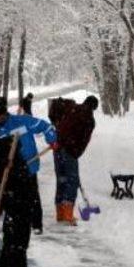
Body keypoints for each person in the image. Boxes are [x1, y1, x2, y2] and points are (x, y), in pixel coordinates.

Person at [0, 96, 57, 234]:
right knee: (10, 198)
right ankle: (13, 225)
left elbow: (46, 126)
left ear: (3, 113)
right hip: (9, 169)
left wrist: (52, 139)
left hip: (27, 165)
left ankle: (36, 225)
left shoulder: (22, 121)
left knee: (32, 196)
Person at [51, 95, 99, 224]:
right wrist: (76, 152)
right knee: (71, 182)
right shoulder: (89, 119)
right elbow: (84, 139)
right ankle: (68, 215)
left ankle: (60, 213)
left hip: (58, 148)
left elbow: (58, 120)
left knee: (61, 180)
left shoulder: (71, 108)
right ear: (94, 107)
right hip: (69, 151)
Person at [0, 133, 32, 267]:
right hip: (14, 201)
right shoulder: (0, 158)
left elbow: (13, 183)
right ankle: (6, 264)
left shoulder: (11, 161)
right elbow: (1, 186)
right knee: (9, 233)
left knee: (17, 237)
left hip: (21, 202)